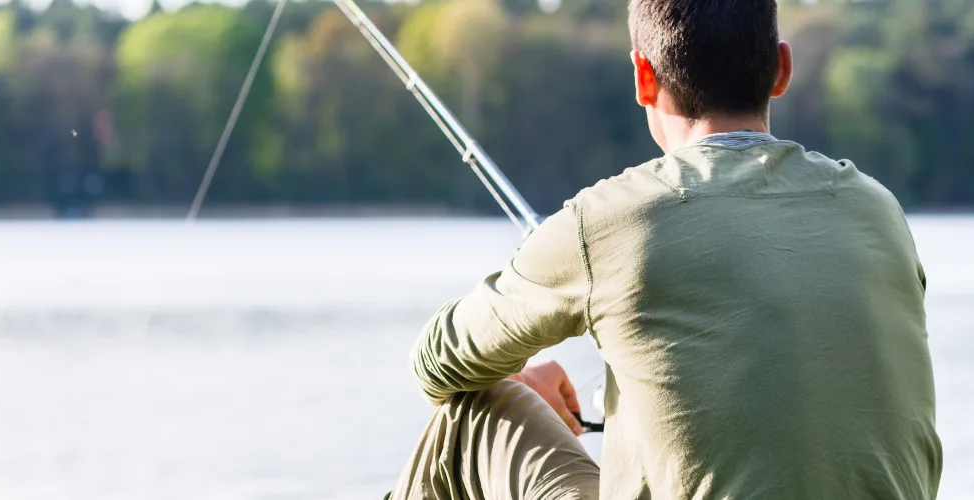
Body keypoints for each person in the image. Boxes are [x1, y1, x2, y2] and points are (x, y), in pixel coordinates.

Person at [387, 0, 942, 498]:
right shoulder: (878, 210)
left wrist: (516, 381)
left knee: (474, 408)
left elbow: (435, 363)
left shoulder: (609, 219)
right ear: (781, 69)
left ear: (643, 78)